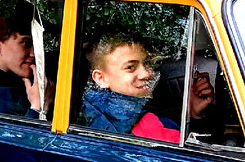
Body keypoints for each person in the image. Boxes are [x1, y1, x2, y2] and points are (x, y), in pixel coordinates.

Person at [81, 34, 213, 143]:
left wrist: (192, 114)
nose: (147, 73)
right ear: (100, 78)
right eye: (130, 67)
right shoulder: (146, 127)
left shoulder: (89, 107)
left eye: (147, 63)